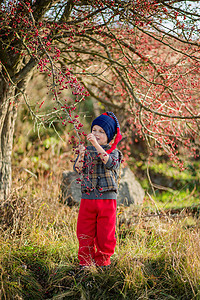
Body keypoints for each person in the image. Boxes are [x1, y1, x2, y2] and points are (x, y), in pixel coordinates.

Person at [74, 112, 123, 267]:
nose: (96, 134)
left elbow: (110, 163)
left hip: (107, 199)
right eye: (94, 130)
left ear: (108, 136)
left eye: (101, 132)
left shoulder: (113, 151)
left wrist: (95, 145)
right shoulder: (87, 151)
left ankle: (103, 263)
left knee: (105, 233)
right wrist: (81, 155)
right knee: (84, 231)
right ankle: (85, 263)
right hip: (88, 197)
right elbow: (78, 169)